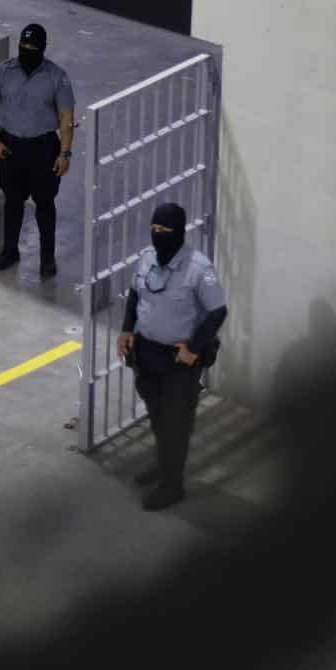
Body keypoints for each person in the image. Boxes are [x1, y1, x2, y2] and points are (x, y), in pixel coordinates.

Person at [116, 202, 228, 511]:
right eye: (154, 230)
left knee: (176, 422)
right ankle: (163, 465)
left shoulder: (198, 268)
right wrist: (126, 330)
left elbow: (218, 312)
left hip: (178, 361)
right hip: (147, 352)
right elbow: (136, 294)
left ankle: (172, 485)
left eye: (164, 231)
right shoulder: (148, 258)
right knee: (157, 416)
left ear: (179, 232)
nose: (158, 235)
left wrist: (193, 348)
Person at [0, 22, 76, 278]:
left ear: (43, 48)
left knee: (45, 204)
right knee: (13, 201)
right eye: (23, 46)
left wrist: (65, 153)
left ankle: (47, 259)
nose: (27, 51)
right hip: (10, 148)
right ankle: (10, 250)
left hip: (43, 149)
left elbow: (67, 117)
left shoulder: (57, 77)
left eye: (32, 47)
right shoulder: (3, 72)